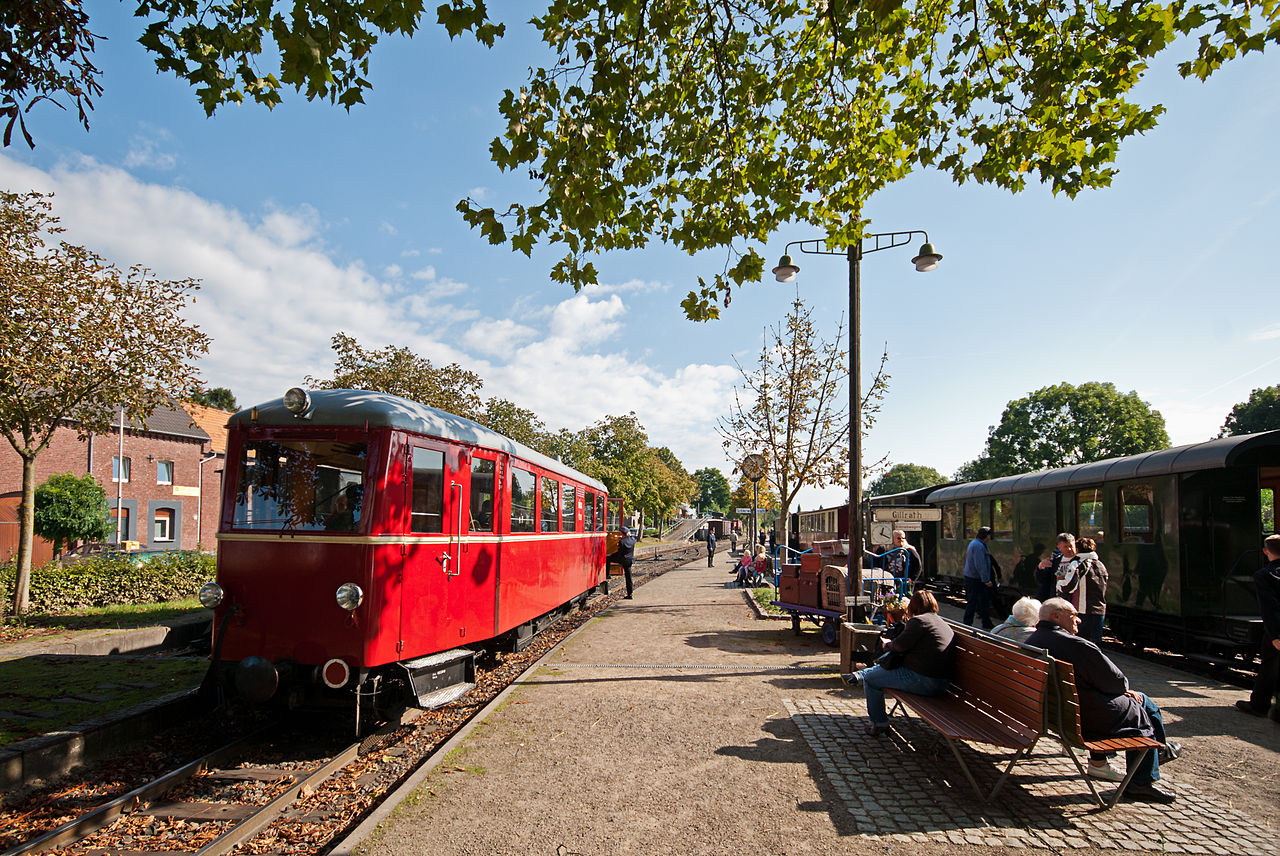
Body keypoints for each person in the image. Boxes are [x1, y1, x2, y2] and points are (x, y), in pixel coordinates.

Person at [1026, 598, 1182, 803]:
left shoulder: (1032, 641)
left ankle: (1155, 755)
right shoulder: (1078, 645)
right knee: (1143, 704)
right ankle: (1142, 779)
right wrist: (1125, 691)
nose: (1079, 620)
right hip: (1084, 720)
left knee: (1140, 703)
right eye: (1074, 615)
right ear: (1056, 616)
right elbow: (1116, 682)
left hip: (1054, 714)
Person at [840, 590, 956, 737]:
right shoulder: (942, 623)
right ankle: (858, 675)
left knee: (871, 680)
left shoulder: (919, 621)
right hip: (942, 682)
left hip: (923, 680)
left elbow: (900, 645)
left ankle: (879, 723)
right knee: (888, 664)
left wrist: (887, 645)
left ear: (913, 606)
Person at [1237, 534, 1280, 720]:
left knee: (1269, 666)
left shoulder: (1264, 575)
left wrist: (1275, 635)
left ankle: (1259, 705)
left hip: (1277, 628)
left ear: (1265, 551)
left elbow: (1269, 607)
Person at [1062, 536, 1109, 646]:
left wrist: (1059, 584)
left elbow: (1068, 586)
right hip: (1099, 609)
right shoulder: (1100, 564)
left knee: (1080, 642)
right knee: (1094, 644)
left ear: (1077, 549)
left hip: (1082, 609)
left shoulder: (1078, 563)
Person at [962, 526, 996, 629]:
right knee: (976, 602)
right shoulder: (979, 546)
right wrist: (986, 580)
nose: (990, 537)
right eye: (989, 535)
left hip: (973, 578)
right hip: (976, 579)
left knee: (978, 602)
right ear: (986, 536)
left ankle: (984, 622)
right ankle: (968, 623)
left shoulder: (975, 543)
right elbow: (980, 564)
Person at [1036, 534, 1077, 602]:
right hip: (1058, 599)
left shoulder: (1080, 560)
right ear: (1059, 547)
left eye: (1071, 546)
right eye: (1065, 547)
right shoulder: (1055, 562)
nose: (1069, 549)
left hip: (1074, 599)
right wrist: (1040, 567)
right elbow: (1043, 580)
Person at [607, 526, 637, 598]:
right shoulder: (633, 540)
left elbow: (619, 553)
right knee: (628, 576)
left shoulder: (622, 542)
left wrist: (611, 554)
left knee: (607, 559)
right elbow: (632, 537)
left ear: (621, 533)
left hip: (623, 560)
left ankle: (607, 574)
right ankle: (630, 593)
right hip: (630, 560)